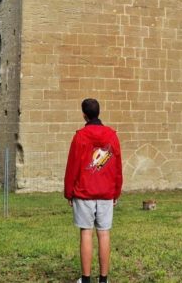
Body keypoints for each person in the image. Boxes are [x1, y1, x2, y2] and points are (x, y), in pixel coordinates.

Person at [64, 98, 123, 283]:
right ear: (99, 112)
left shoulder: (80, 136)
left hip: (84, 192)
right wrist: (116, 191)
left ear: (84, 114)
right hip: (105, 191)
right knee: (104, 233)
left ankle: (86, 279)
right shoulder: (112, 136)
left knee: (86, 233)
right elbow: (117, 166)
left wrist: (69, 192)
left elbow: (72, 166)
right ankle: (103, 280)